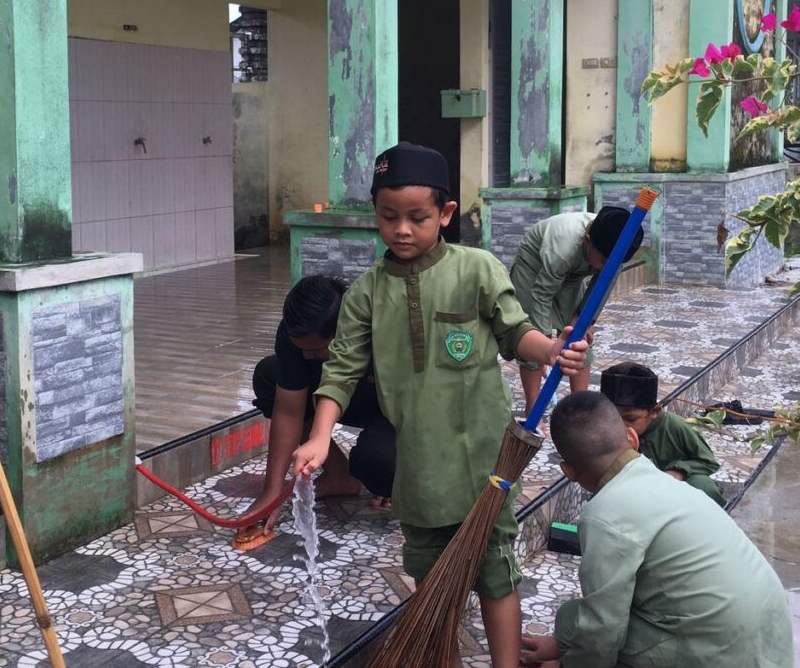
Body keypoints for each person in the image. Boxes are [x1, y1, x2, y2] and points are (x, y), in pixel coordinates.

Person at [291, 143, 589, 668]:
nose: (402, 229)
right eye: (389, 217)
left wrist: (552, 349)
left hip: (484, 463)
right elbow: (338, 372)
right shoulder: (365, 294)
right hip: (420, 470)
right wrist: (319, 437)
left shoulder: (476, 268)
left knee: (496, 572)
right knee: (433, 582)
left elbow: (515, 330)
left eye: (417, 217)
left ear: (446, 214)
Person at [520, 391, 793, 668]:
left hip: (720, 653)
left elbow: (603, 629)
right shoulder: (666, 483)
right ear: (632, 438)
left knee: (573, 620)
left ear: (569, 471)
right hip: (770, 640)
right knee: (580, 624)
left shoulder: (605, 514)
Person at [241, 276, 397, 539]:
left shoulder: (381, 330)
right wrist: (272, 492)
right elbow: (288, 411)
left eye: (315, 350)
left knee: (381, 465)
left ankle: (391, 474)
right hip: (333, 400)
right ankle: (339, 476)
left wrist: (403, 473)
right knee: (269, 374)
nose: (305, 357)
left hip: (387, 407)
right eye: (301, 349)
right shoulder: (296, 336)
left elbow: (421, 407)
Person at [510, 207, 645, 417]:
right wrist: (544, 345)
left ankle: (580, 410)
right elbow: (541, 295)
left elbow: (602, 286)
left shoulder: (616, 249)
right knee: (533, 340)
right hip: (534, 270)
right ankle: (533, 409)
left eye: (612, 264)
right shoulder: (563, 248)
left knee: (581, 338)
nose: (606, 266)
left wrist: (584, 320)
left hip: (572, 276)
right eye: (603, 261)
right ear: (588, 240)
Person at [600, 362, 725, 505]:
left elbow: (708, 462)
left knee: (703, 486)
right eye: (613, 417)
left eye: (631, 419)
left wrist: (679, 470)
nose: (621, 426)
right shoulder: (604, 428)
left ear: (654, 412)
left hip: (676, 492)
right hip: (633, 493)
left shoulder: (676, 426)